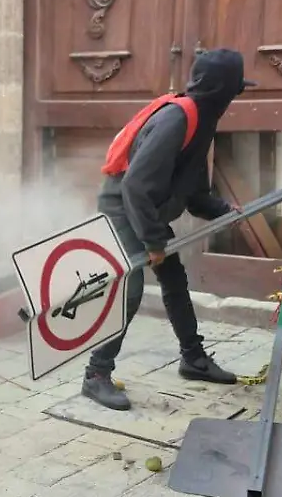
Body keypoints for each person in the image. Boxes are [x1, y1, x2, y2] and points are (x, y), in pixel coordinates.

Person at [80, 48, 254, 411]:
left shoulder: (202, 120)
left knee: (173, 278)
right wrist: (154, 241)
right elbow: (135, 187)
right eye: (233, 92)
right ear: (221, 90)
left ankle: (193, 359)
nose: (233, 101)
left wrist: (224, 210)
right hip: (124, 209)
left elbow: (193, 192)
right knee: (131, 284)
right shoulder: (178, 118)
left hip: (146, 210)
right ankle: (96, 374)